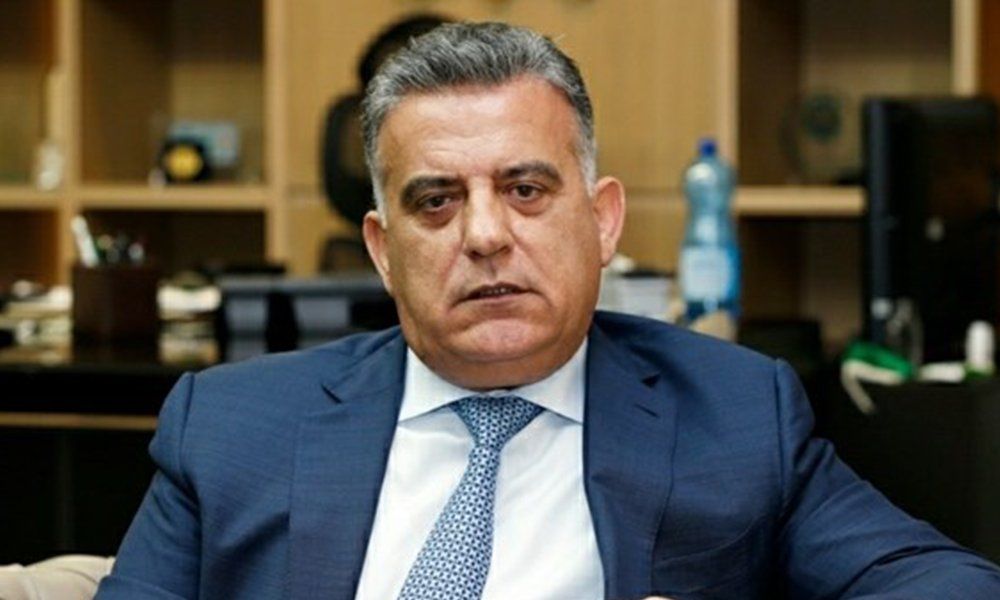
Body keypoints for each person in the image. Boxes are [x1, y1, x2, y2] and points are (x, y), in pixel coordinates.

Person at [96, 22, 1000, 600]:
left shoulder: (735, 414)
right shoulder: (231, 428)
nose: (486, 235)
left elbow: (942, 584)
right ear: (382, 248)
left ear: (602, 221)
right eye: (436, 201)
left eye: (526, 190)